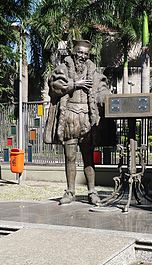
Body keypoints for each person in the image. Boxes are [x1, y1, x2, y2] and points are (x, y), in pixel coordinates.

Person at [44, 40, 110, 205]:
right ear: (73, 52)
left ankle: (92, 191)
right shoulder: (63, 69)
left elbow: (102, 89)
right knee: (70, 157)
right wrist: (75, 84)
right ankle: (70, 191)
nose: (82, 56)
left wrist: (106, 98)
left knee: (89, 157)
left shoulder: (94, 72)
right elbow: (54, 85)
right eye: (79, 52)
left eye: (85, 54)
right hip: (70, 117)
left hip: (87, 118)